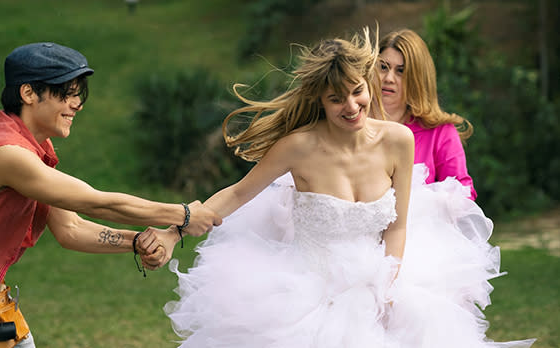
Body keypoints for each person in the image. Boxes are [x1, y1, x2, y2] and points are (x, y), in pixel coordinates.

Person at [142, 29, 535, 347]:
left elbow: (396, 224)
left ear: (368, 85)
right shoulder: (298, 146)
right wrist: (175, 229)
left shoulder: (398, 140)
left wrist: (389, 284)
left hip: (385, 281)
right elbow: (238, 194)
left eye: (357, 91)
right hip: (306, 291)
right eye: (336, 99)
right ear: (320, 100)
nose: (351, 106)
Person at [0, 42, 221, 347]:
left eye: (78, 94)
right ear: (28, 93)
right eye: (66, 93)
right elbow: (94, 202)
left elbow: (70, 230)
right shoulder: (7, 154)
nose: (77, 104)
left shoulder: (33, 150)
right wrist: (184, 214)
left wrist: (139, 242)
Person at [377, 28, 477, 200]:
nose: (389, 78)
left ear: (417, 79)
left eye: (400, 71)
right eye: (383, 67)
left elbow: (463, 194)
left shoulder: (440, 132)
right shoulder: (355, 123)